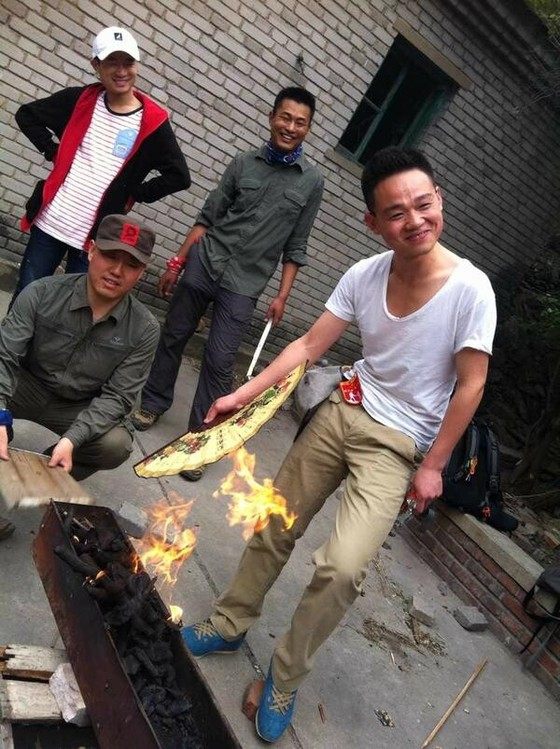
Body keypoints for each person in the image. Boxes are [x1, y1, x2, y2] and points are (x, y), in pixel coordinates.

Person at [180, 147, 497, 742]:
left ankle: (284, 676)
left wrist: (433, 465)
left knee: (344, 567)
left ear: (439, 201)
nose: (415, 221)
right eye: (396, 213)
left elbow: (471, 384)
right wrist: (240, 394)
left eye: (423, 204)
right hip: (342, 408)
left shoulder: (471, 289)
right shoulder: (365, 274)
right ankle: (229, 622)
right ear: (373, 222)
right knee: (274, 525)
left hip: (397, 444)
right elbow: (307, 346)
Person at [131, 87, 324, 481]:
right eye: (285, 118)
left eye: (300, 122)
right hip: (206, 261)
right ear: (272, 118)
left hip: (245, 283)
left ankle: (198, 440)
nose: (290, 127)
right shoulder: (242, 163)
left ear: (307, 128)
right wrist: (177, 262)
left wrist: (282, 295)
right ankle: (152, 402)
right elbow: (208, 217)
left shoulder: (311, 182)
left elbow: (297, 245)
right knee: (174, 334)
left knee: (220, 361)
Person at [0, 214, 160, 541]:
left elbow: (118, 397)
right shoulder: (42, 292)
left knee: (116, 445)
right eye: (110, 256)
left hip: (76, 405)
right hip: (25, 385)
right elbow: (4, 355)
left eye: (131, 264)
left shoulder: (144, 329)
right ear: (91, 250)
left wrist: (72, 439)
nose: (117, 270)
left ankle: (40, 474)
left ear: (141, 272)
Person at [11, 25, 190, 300]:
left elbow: (179, 176)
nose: (121, 71)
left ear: (137, 65)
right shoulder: (78, 100)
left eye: (128, 62)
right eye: (112, 62)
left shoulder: (152, 122)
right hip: (51, 223)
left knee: (76, 310)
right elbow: (27, 116)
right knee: (26, 298)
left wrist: (134, 191)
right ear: (96, 65)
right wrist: (53, 151)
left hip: (96, 238)